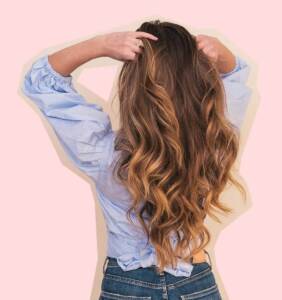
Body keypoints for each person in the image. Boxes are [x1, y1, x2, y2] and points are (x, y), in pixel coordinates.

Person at [21, 19, 252, 300]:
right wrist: (222, 53)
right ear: (196, 82)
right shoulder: (215, 140)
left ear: (132, 88)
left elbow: (42, 81)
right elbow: (236, 75)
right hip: (196, 283)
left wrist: (102, 45)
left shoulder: (106, 155)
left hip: (127, 286)